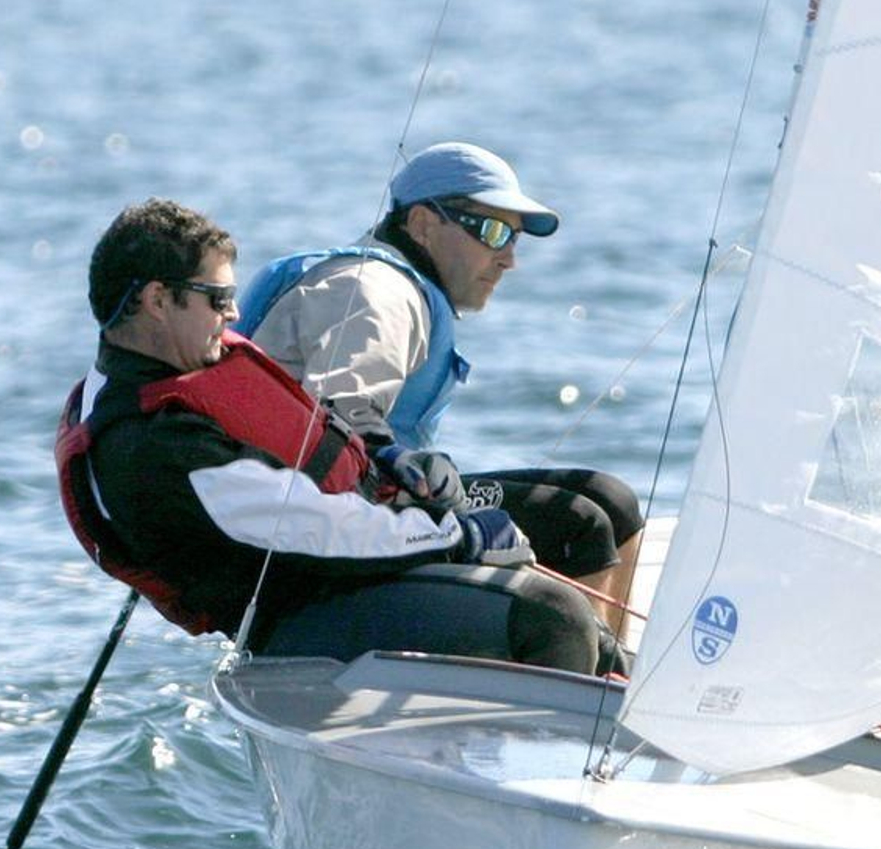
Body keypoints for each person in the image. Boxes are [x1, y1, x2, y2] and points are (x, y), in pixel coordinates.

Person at [55, 197, 626, 676]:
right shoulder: (150, 447)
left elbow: (316, 446)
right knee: (553, 615)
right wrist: (455, 536)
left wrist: (392, 459)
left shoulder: (175, 369)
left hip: (351, 559)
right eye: (218, 299)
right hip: (300, 614)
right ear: (157, 300)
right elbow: (314, 526)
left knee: (584, 592)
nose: (232, 317)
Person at [236, 142, 644, 635]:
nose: (509, 259)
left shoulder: (388, 283)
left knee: (609, 499)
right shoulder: (376, 291)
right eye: (493, 232)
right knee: (578, 522)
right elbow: (340, 410)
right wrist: (407, 466)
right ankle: (580, 677)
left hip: (374, 495)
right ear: (424, 225)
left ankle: (608, 674)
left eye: (515, 238)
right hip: (328, 527)